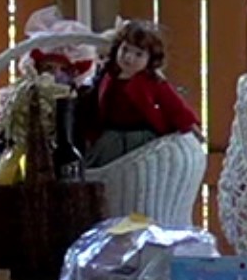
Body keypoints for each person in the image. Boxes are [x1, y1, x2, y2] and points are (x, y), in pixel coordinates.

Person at [79, 19, 200, 168]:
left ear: (150, 59)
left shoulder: (152, 82)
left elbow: (175, 107)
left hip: (141, 139)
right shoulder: (108, 76)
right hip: (111, 138)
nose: (129, 57)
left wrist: (192, 129)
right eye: (125, 50)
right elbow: (96, 107)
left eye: (138, 54)